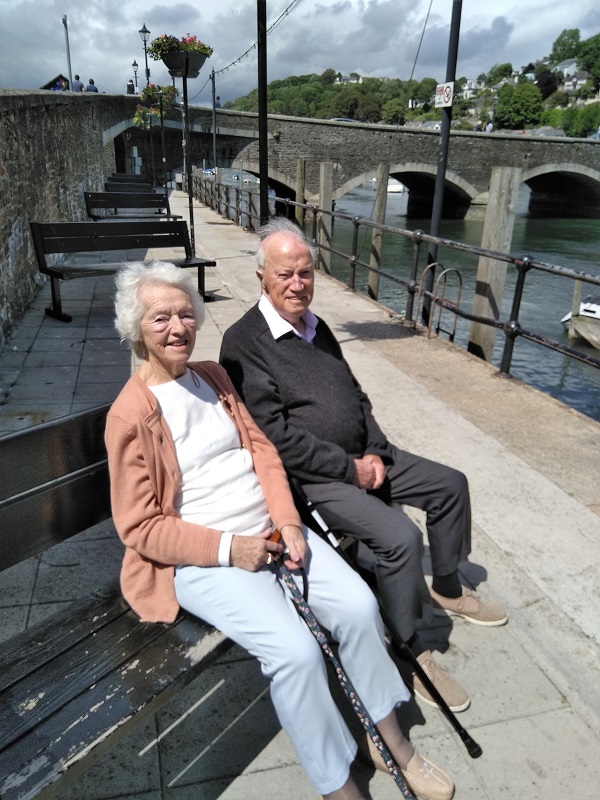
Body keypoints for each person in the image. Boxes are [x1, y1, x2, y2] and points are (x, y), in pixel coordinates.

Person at [105, 261, 454, 800]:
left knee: (359, 608)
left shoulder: (213, 378)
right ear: (135, 328)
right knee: (296, 653)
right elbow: (141, 527)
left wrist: (289, 522)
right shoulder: (130, 415)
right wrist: (231, 548)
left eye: (185, 315)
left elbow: (264, 452)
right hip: (203, 558)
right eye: (160, 319)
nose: (178, 328)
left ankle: (389, 741)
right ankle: (337, 783)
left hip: (273, 532)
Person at [220, 217, 508, 714]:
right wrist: (350, 469)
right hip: (314, 478)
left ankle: (445, 585)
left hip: (366, 454)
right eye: (285, 274)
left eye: (306, 273)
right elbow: (275, 438)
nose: (298, 284)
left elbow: (356, 395)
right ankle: (409, 649)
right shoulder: (244, 342)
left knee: (450, 485)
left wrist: (374, 450)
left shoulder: (316, 327)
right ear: (262, 277)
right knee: (400, 537)